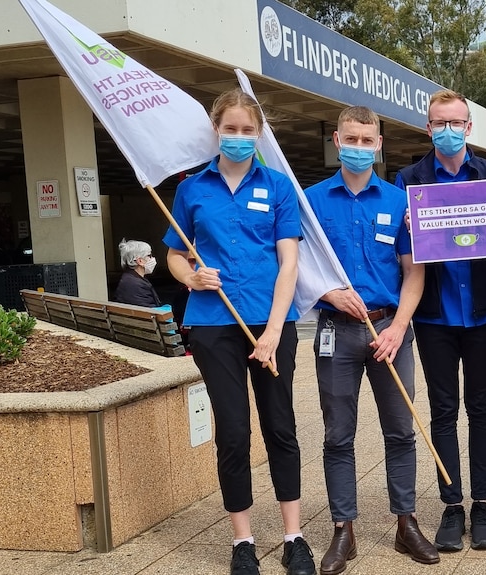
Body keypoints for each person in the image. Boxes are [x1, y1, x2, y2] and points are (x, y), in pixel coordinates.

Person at [163, 88, 315, 575]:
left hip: (270, 325)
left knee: (280, 427)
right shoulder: (191, 189)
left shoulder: (278, 187)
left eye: (248, 130)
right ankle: (243, 540)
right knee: (232, 433)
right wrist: (191, 277)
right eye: (230, 129)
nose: (239, 137)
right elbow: (174, 253)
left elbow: (289, 263)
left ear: (260, 134)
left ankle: (294, 535)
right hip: (212, 326)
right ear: (216, 130)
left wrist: (273, 332)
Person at [304, 106, 437, 575]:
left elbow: (413, 273)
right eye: (351, 139)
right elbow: (297, 266)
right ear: (336, 141)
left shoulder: (400, 202)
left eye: (367, 140)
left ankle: (406, 522)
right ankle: (344, 529)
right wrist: (327, 293)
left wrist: (399, 326)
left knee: (401, 430)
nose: (359, 147)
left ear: (379, 144)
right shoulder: (312, 201)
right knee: (338, 435)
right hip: (335, 333)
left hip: (390, 331)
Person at [395, 89, 486, 552]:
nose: (447, 130)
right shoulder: (408, 181)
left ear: (469, 127)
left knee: (480, 408)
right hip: (435, 317)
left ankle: (482, 504)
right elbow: (399, 250)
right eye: (438, 123)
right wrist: (406, 225)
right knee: (443, 411)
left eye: (456, 122)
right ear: (428, 128)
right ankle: (451, 505)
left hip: (482, 316)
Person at [114, 239, 161, 307]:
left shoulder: (127, 278)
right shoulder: (137, 285)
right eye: (149, 255)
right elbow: (151, 313)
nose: (152, 258)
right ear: (140, 261)